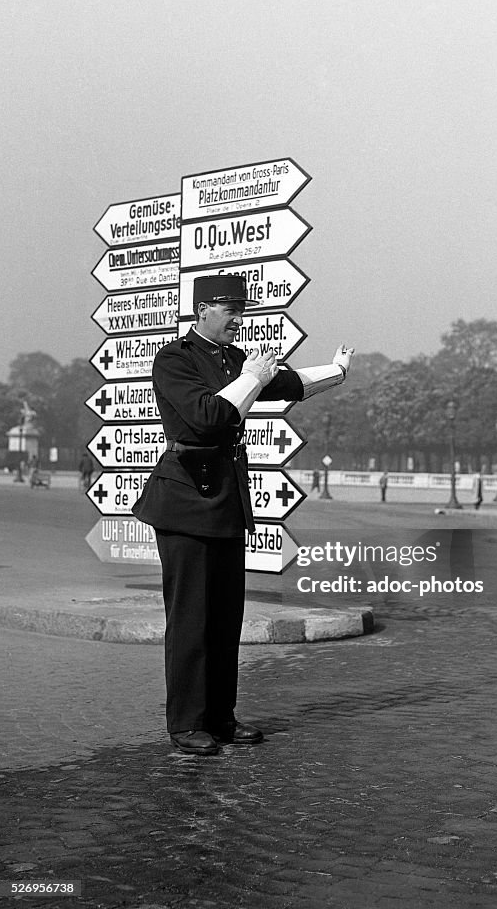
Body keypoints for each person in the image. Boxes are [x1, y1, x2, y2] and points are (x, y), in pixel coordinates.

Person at [132, 273, 354, 756]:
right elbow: (208, 416)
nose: (239, 319)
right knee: (191, 617)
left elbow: (289, 384)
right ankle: (187, 722)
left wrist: (334, 373)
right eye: (230, 311)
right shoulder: (174, 359)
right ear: (201, 312)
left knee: (226, 616)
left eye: (241, 311)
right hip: (185, 498)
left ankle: (220, 717)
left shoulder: (234, 359)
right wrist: (252, 377)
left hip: (227, 499)